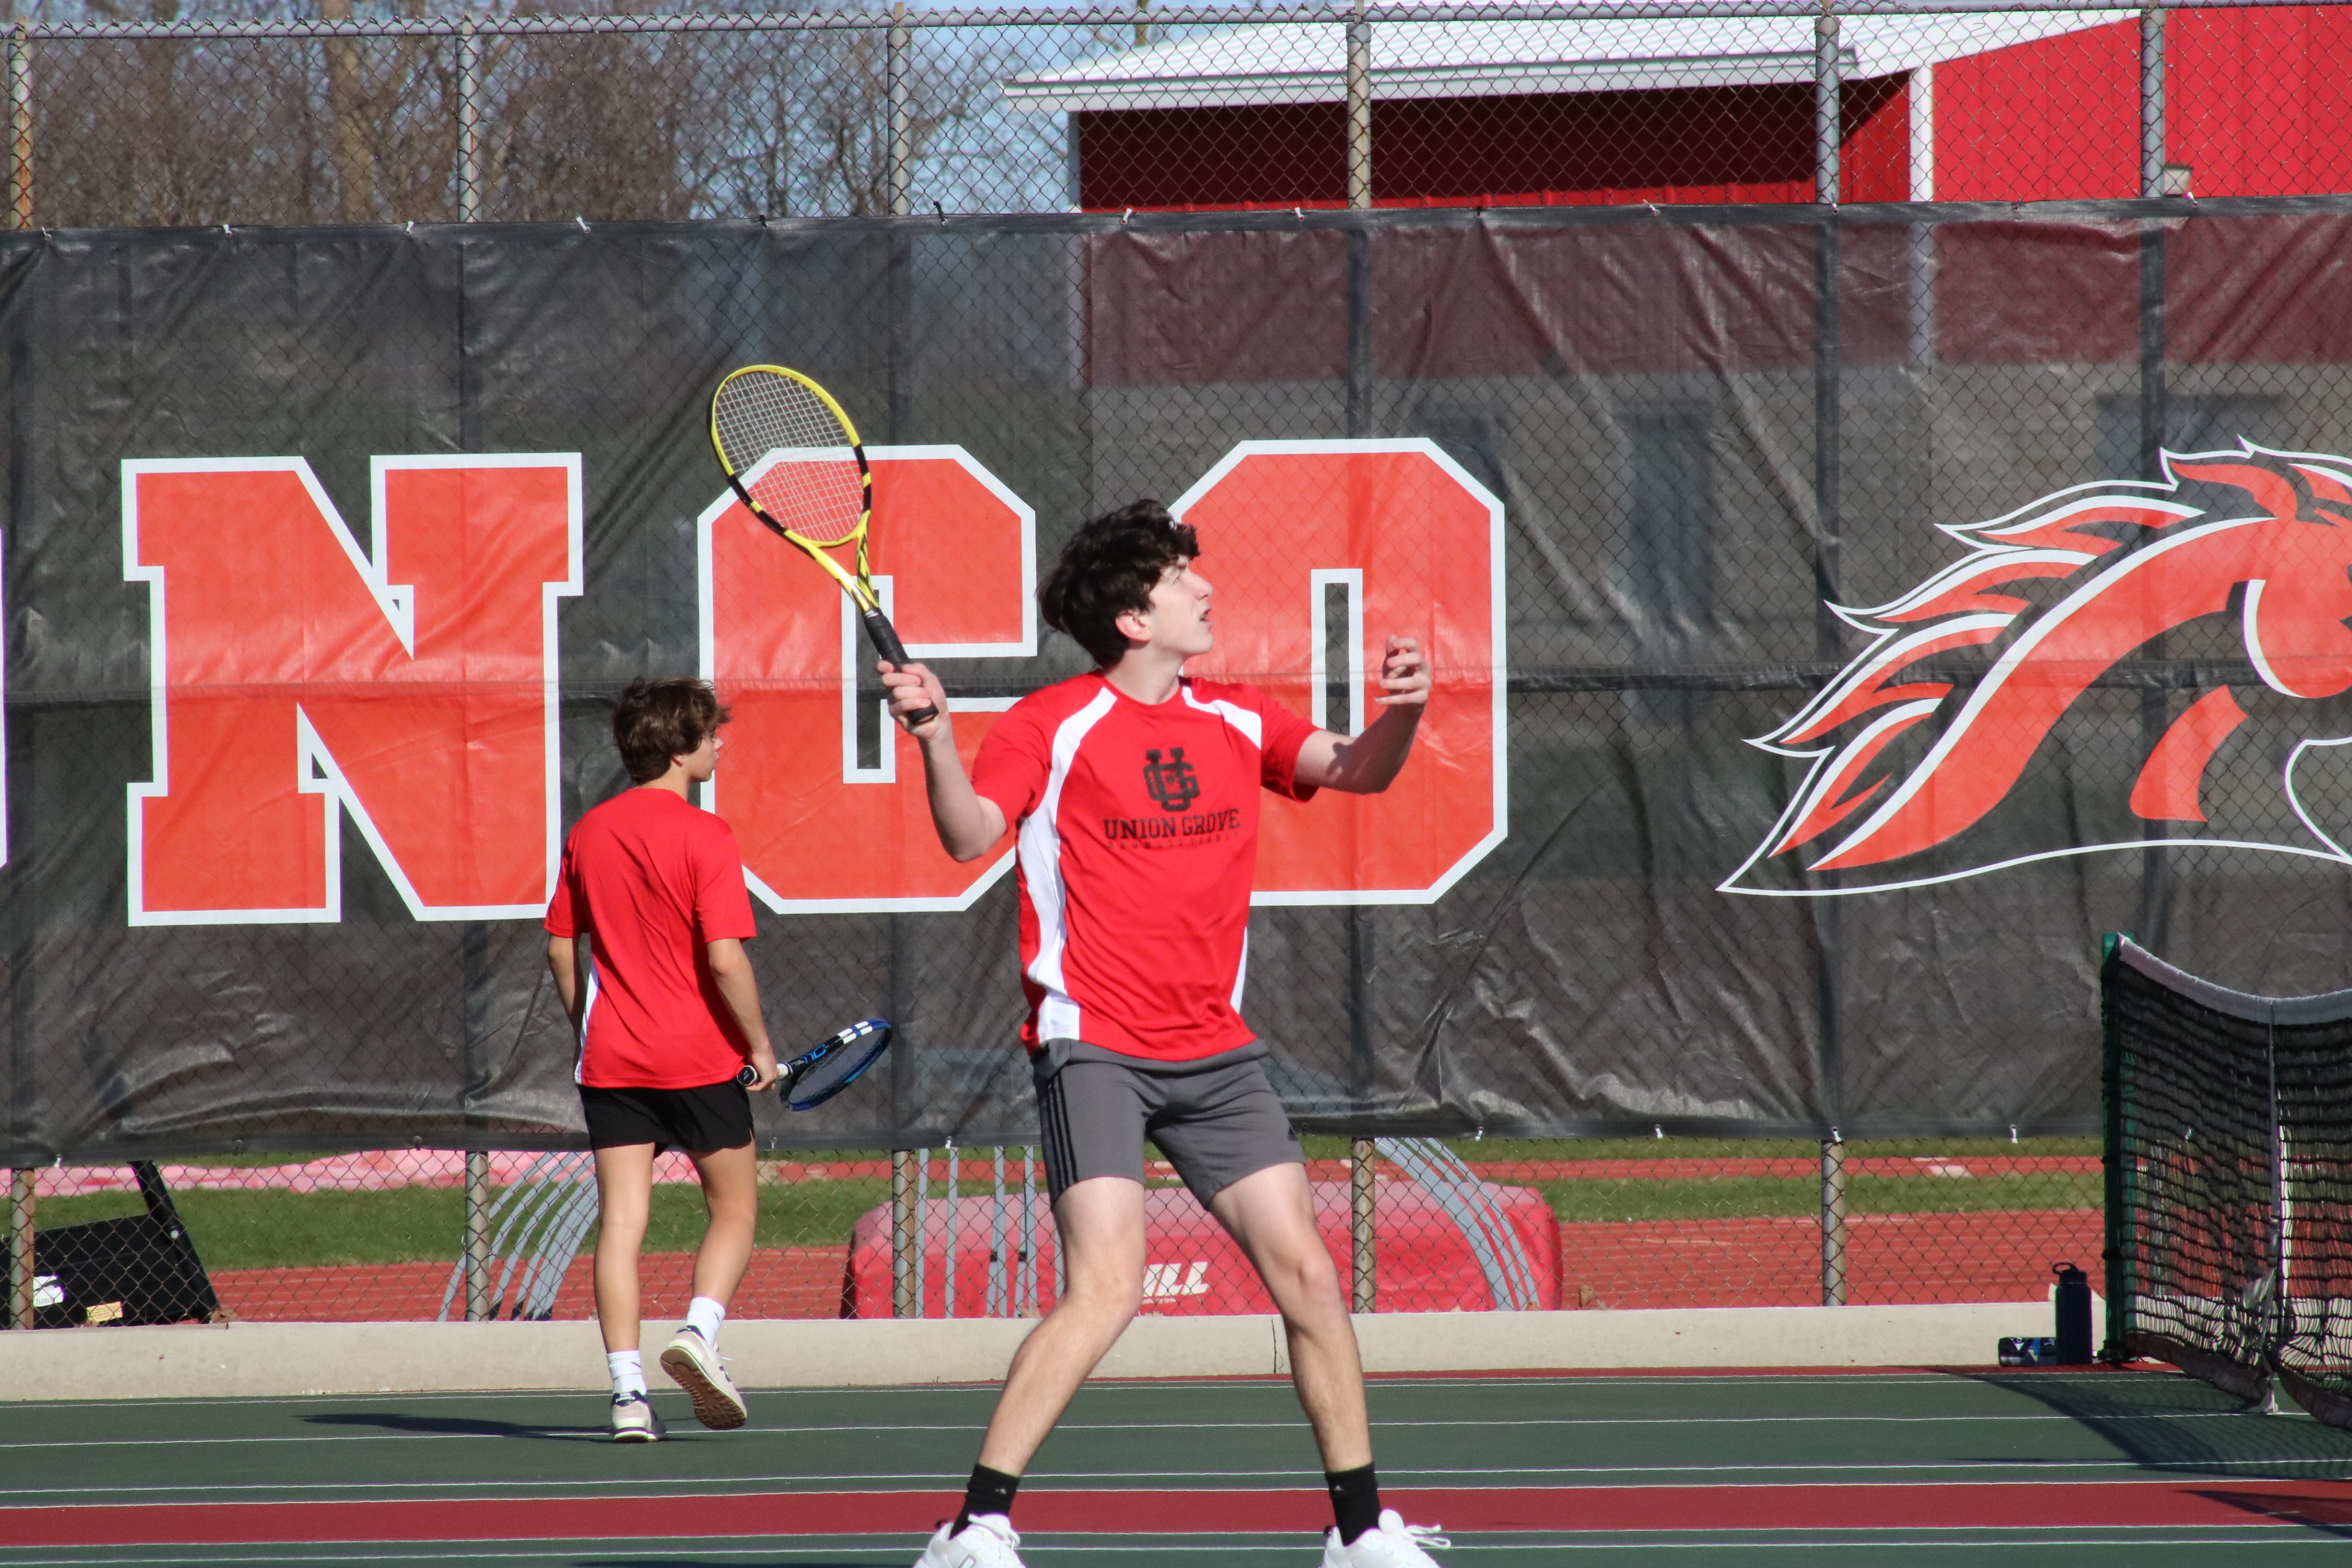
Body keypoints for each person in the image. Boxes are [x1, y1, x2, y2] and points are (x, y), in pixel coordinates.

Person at [880, 502, 1447, 1568]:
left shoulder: (1239, 717)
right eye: (1183, 577)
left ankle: (1364, 1532)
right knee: (1109, 1285)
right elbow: (966, 838)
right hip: (1093, 1044)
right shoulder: (1052, 725)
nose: (1205, 588)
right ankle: (977, 1525)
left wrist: (1403, 713)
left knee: (1310, 1280)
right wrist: (934, 738)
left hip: (1216, 1055)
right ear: (1135, 620)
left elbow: (1361, 767)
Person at [544, 677, 781, 1443]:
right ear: (683, 749)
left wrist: (592, 1020)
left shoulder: (588, 832)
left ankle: (626, 1395)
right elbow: (725, 959)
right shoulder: (706, 835)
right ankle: (701, 1331)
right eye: (714, 733)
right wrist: (761, 1045)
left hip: (611, 1061)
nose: (723, 743)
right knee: (737, 1208)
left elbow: (560, 944)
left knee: (622, 1222)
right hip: (699, 1056)